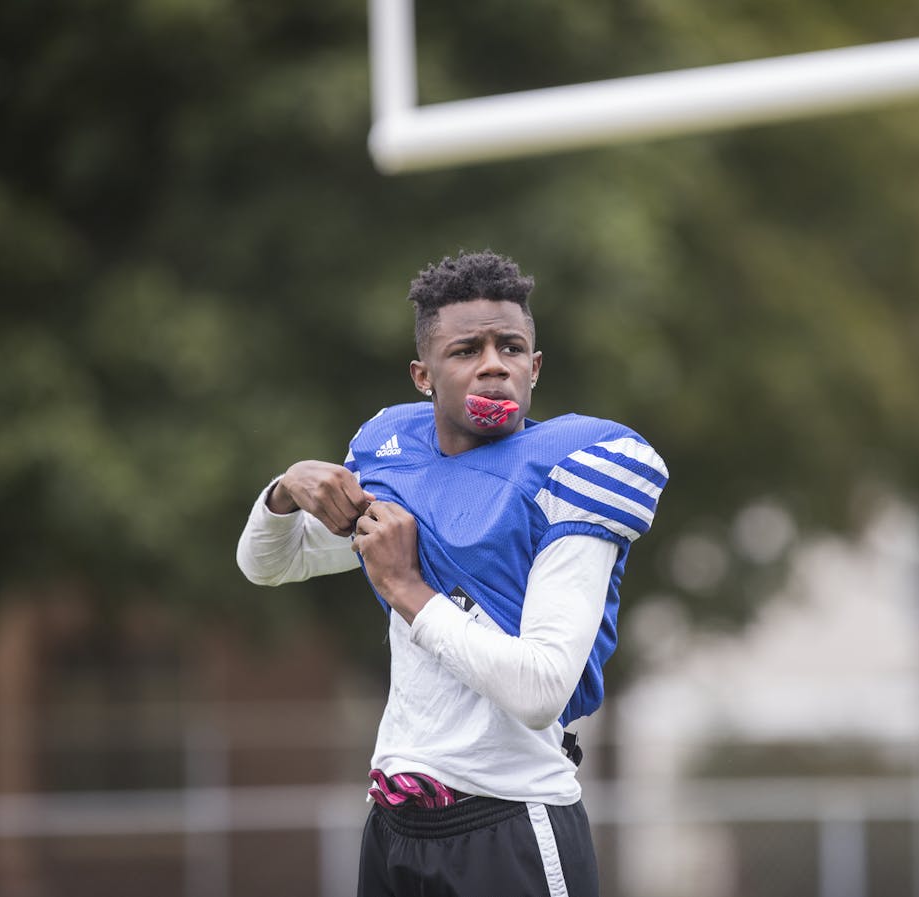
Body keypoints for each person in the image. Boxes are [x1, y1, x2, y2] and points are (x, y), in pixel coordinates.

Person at [236, 249, 668, 897]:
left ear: (536, 366)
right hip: (394, 820)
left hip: (511, 821)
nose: (494, 364)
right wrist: (284, 488)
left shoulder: (569, 472)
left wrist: (408, 589)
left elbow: (541, 687)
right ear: (423, 374)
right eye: (467, 349)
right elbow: (268, 563)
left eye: (512, 347)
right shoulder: (395, 461)